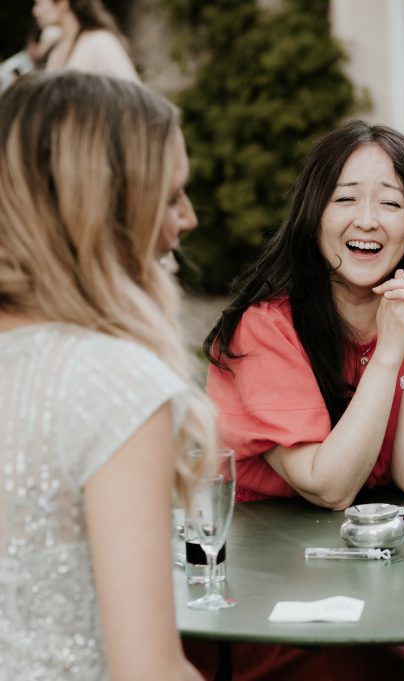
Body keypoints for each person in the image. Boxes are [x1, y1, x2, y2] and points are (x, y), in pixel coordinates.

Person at [196, 120, 404, 680]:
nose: (368, 220)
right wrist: (387, 353)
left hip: (394, 583)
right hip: (280, 600)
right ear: (313, 215)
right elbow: (330, 484)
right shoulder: (266, 328)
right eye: (345, 199)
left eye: (391, 202)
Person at [0, 71, 217, 681]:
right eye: (171, 197)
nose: (190, 219)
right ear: (106, 211)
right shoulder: (113, 384)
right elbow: (148, 671)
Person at [33, 0, 138, 81]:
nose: (35, 12)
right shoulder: (56, 52)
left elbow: (131, 96)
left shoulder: (100, 42)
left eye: (39, 3)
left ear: (62, 3)